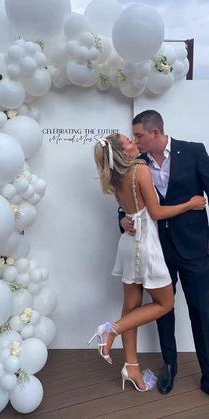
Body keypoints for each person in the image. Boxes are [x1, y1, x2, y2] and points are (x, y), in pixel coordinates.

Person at [88, 133, 205, 392]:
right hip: (146, 246)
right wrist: (191, 203)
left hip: (129, 245)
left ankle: (132, 368)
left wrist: (123, 220)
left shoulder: (114, 175)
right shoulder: (140, 169)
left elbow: (129, 210)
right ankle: (111, 331)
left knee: (131, 307)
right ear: (122, 152)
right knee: (165, 303)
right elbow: (156, 212)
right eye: (129, 141)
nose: (134, 142)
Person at [119, 109, 209, 395]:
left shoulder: (194, 152)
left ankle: (208, 372)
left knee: (201, 311)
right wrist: (122, 221)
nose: (136, 141)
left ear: (155, 132)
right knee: (163, 310)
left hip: (195, 248)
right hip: (156, 250)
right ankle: (169, 367)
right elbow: (126, 206)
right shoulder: (137, 163)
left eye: (139, 135)